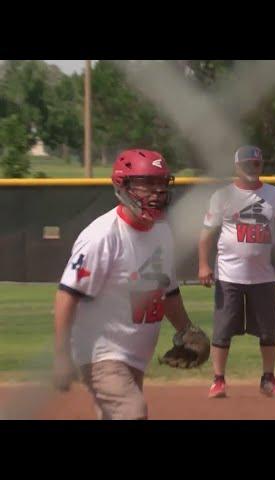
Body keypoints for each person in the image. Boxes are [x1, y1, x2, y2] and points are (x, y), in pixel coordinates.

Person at [52, 149, 209, 420]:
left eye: (161, 183)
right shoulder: (102, 236)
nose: (156, 192)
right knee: (132, 412)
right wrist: (61, 353)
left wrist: (186, 329)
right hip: (101, 353)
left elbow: (166, 290)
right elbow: (67, 294)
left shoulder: (161, 232)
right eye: (146, 183)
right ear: (121, 185)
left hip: (135, 355)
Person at [198, 146, 275, 398]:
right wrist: (203, 265)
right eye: (246, 164)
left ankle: (268, 379)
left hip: (264, 276)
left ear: (261, 165)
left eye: (255, 164)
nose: (251, 169)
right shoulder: (222, 196)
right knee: (223, 330)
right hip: (229, 276)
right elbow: (205, 235)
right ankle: (218, 380)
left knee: (268, 330)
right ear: (237, 167)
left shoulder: (274, 194)